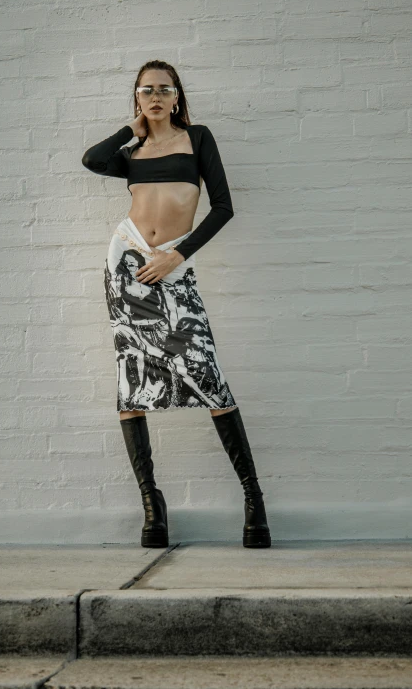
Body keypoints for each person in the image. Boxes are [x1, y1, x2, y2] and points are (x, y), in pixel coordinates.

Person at [82, 59, 271, 550]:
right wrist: (132, 128)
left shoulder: (199, 138)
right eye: (147, 91)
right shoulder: (132, 149)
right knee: (131, 377)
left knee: (205, 371)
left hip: (173, 265)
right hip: (127, 264)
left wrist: (177, 255)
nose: (157, 96)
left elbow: (224, 207)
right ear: (138, 99)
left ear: (179, 96)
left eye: (165, 89)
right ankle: (152, 505)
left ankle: (254, 498)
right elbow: (91, 159)